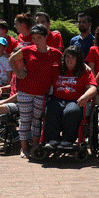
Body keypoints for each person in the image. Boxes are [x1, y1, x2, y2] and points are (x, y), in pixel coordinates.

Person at [10, 23, 63, 157]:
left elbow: (67, 61)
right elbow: (11, 59)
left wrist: (84, 67)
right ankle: (23, 148)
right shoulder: (27, 50)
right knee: (25, 119)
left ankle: (35, 146)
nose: (36, 40)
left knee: (37, 120)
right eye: (34, 37)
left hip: (42, 92)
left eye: (39, 37)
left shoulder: (54, 53)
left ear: (46, 37)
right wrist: (17, 72)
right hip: (25, 90)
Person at [44, 45, 99, 150]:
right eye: (67, 57)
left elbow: (93, 88)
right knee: (51, 108)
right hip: (57, 99)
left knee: (72, 111)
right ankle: (52, 139)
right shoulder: (56, 69)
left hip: (76, 100)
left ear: (78, 59)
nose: (69, 60)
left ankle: (67, 140)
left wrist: (85, 96)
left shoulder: (84, 72)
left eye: (73, 57)